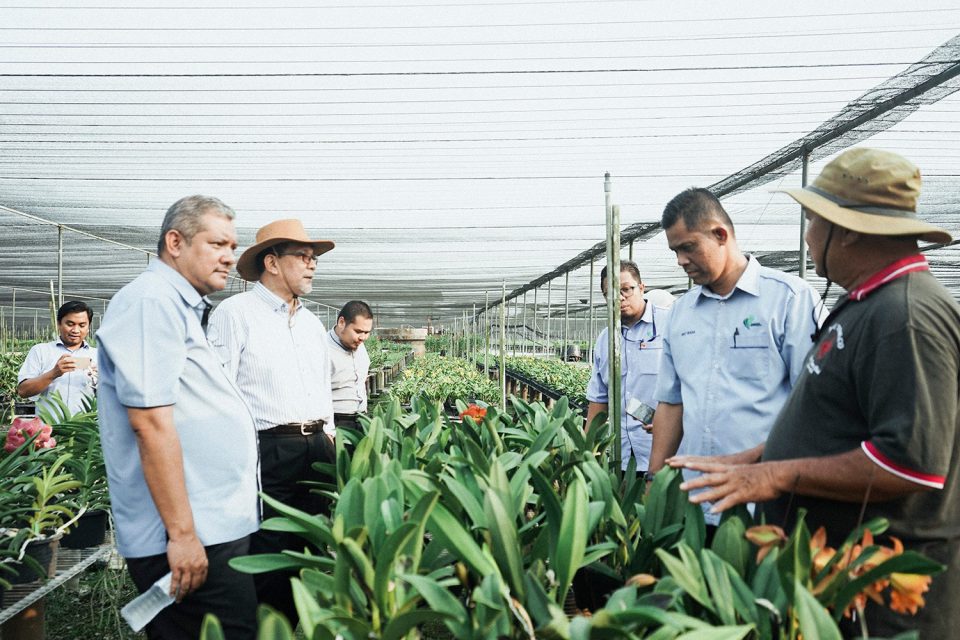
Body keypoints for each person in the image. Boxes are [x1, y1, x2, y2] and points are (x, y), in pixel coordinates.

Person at [669, 148, 960, 638]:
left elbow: (910, 461)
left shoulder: (906, 316)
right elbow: (842, 423)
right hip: (841, 576)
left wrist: (779, 474)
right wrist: (759, 458)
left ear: (844, 230)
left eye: (811, 221)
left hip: (887, 593)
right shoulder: (870, 304)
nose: (807, 237)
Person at [96, 195, 259, 639]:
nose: (230, 256)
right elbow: (149, 424)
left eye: (233, 245)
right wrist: (183, 534)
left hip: (209, 524)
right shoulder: (151, 302)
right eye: (218, 243)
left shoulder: (177, 305)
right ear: (175, 241)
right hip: (187, 534)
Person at [648, 188, 822, 524]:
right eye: (675, 251)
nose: (681, 260)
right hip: (695, 506)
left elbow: (814, 404)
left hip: (767, 503)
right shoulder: (680, 314)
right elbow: (671, 403)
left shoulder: (790, 300)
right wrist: (655, 479)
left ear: (720, 234)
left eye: (688, 247)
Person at [207, 218, 336, 628]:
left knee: (312, 545)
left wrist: (329, 437)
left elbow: (322, 388)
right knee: (271, 546)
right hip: (267, 448)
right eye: (302, 256)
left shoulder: (312, 324)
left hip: (317, 447)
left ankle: (293, 627)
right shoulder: (236, 314)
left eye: (313, 258)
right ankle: (266, 628)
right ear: (272, 262)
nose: (311, 264)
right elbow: (217, 390)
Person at [584, 261, 670, 474]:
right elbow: (599, 399)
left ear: (641, 287)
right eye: (610, 293)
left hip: (663, 453)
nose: (619, 297)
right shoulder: (605, 340)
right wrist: (584, 453)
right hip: (618, 456)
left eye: (626, 289)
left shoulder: (670, 325)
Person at [18, 300, 98, 417]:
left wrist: (99, 380)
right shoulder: (40, 351)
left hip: (85, 429)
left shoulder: (97, 356)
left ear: (88, 327)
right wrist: (54, 373)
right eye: (70, 324)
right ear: (59, 324)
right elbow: (23, 391)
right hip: (49, 430)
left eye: (82, 325)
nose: (75, 330)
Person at [326, 300, 374, 431]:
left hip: (361, 419)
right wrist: (327, 431)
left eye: (367, 332)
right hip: (336, 422)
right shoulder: (323, 350)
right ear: (341, 323)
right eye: (358, 331)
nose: (363, 337)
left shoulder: (359, 345)